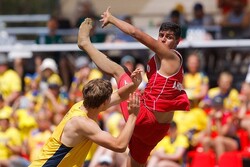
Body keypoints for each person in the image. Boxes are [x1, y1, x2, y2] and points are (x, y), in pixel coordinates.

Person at [77, 7, 190, 166]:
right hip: (157, 129)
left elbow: (136, 33)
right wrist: (137, 84)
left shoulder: (170, 57)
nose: (163, 40)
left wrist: (112, 19)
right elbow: (159, 93)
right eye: (161, 35)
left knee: (119, 71)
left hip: (146, 120)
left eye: (169, 37)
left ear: (178, 42)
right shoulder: (159, 62)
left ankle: (85, 44)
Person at [29, 67, 142, 166]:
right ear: (103, 104)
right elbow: (119, 145)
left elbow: (119, 95)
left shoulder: (85, 104)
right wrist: (132, 116)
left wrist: (135, 84)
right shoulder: (82, 123)